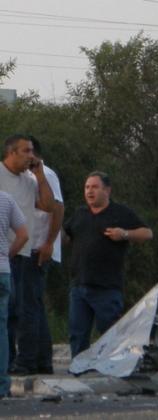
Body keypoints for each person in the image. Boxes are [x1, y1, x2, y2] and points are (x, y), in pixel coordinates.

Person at [63, 171, 153, 358]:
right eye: (87, 187)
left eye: (95, 187)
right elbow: (65, 236)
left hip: (106, 287)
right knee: (77, 333)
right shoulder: (80, 213)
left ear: (107, 190)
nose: (90, 191)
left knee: (110, 332)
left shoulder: (120, 213)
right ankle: (78, 369)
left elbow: (147, 233)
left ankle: (113, 369)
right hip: (79, 285)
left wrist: (125, 234)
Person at [10, 136, 64, 375]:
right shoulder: (24, 178)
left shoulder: (45, 175)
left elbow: (58, 208)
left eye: (28, 152)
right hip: (29, 248)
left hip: (38, 248)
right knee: (35, 306)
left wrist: (49, 243)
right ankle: (43, 361)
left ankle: (27, 361)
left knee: (28, 307)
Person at [0, 134, 54, 371]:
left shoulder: (30, 180)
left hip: (21, 253)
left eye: (32, 151)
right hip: (3, 253)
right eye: (26, 151)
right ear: (11, 153)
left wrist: (41, 176)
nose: (31, 156)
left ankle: (16, 361)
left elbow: (49, 206)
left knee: (19, 311)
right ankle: (8, 359)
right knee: (7, 311)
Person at [0, 192, 28, 398]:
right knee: (1, 330)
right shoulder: (6, 199)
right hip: (2, 272)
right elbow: (23, 235)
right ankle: (1, 384)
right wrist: (6, 255)